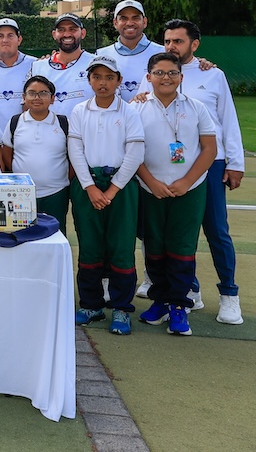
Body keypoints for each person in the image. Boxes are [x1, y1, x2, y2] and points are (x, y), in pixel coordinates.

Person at [153, 19, 244, 324]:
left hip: (210, 162)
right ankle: (189, 289)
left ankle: (229, 295)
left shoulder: (212, 74)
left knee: (216, 230)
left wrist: (235, 163)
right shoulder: (155, 73)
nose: (171, 47)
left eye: (178, 41)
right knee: (176, 233)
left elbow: (227, 120)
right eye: (167, 41)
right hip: (168, 166)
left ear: (195, 44)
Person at [134, 52, 217, 337]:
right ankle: (159, 301)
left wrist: (186, 181)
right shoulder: (137, 108)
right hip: (150, 188)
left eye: (172, 73)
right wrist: (151, 182)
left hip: (189, 189)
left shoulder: (196, 108)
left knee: (182, 248)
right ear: (149, 77)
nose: (166, 78)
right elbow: (132, 153)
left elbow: (209, 149)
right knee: (154, 247)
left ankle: (179, 306)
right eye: (159, 73)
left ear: (181, 77)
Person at [68, 54, 144, 335]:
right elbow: (75, 151)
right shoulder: (79, 111)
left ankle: (122, 309)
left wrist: (111, 189)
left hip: (120, 187)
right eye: (97, 77)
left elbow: (135, 152)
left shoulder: (130, 112)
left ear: (119, 81)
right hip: (87, 185)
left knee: (121, 248)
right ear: (89, 80)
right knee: (89, 245)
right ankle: (91, 304)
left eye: (109, 77)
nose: (103, 83)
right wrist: (89, 187)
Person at [2, 75, 72, 233]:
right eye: (32, 93)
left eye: (43, 93)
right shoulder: (15, 122)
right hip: (21, 193)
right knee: (20, 235)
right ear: (24, 97)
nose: (37, 97)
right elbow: (7, 153)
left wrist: (62, 179)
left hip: (56, 193)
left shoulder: (63, 123)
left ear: (52, 98)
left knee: (54, 235)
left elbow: (73, 157)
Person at [97, 0, 165, 102]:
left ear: (144, 22)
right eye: (123, 18)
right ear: (115, 23)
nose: (129, 23)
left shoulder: (163, 52)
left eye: (135, 18)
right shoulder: (100, 55)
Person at [0, 17, 37, 133]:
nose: (5, 40)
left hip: (27, 135)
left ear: (19, 40)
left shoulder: (35, 64)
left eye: (10, 35)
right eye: (0, 36)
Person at [31, 13, 93, 116]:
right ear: (54, 34)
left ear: (83, 33)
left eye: (72, 29)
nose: (67, 34)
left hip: (87, 131)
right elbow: (28, 106)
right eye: (61, 30)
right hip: (50, 131)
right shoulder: (38, 67)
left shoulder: (96, 64)